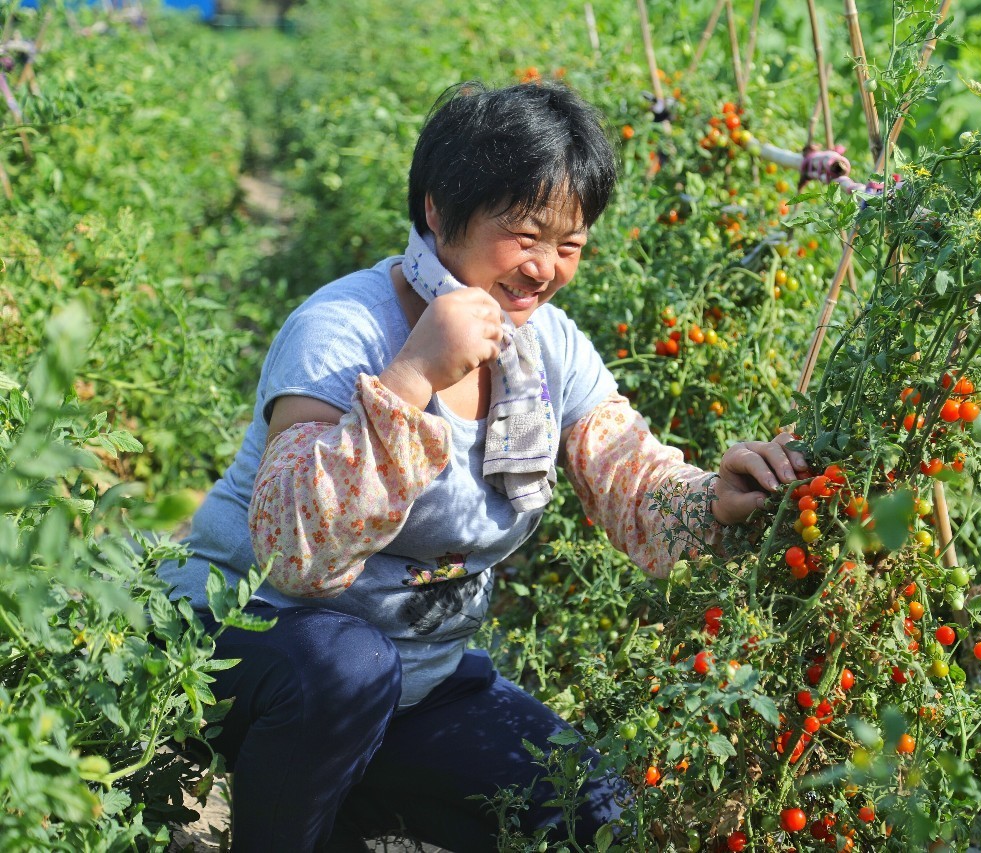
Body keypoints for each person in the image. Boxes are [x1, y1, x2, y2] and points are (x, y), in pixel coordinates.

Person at [159, 80, 808, 852]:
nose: (544, 269)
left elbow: (630, 475)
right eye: (526, 235)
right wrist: (409, 380)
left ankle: (351, 799)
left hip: (414, 683)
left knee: (591, 809)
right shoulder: (343, 330)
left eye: (568, 245)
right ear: (438, 208)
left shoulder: (548, 348)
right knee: (345, 665)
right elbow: (294, 552)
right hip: (255, 647)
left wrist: (713, 499)